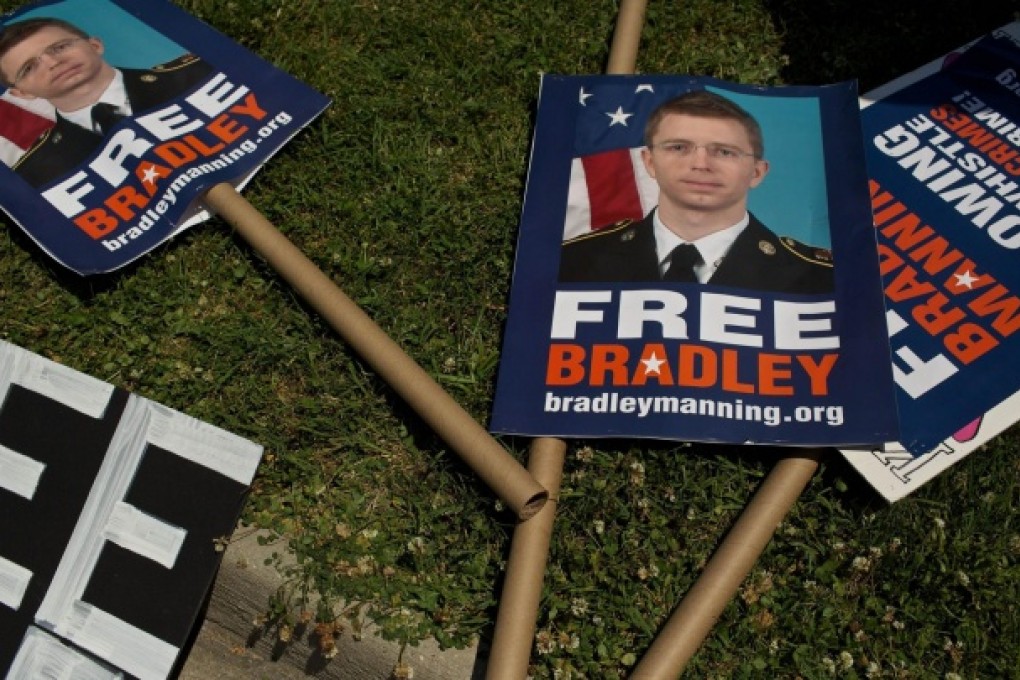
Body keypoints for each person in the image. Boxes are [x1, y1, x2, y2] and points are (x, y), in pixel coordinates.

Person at [558, 90, 834, 293]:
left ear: (757, 172)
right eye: (679, 147)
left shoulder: (821, 278)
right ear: (649, 162)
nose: (700, 164)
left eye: (724, 151)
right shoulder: (574, 261)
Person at [0, 16, 212, 187]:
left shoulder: (199, 74)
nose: (53, 63)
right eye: (29, 68)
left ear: (95, 45)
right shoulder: (38, 173)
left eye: (59, 47)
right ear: (20, 93)